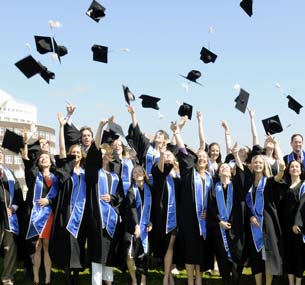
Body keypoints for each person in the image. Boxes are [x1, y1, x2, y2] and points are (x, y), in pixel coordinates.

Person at [170, 121, 213, 285]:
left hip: (204, 220)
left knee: (201, 251)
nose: (202, 159)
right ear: (195, 160)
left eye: (204, 157)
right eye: (200, 157)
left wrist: (209, 212)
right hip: (188, 219)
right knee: (189, 250)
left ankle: (199, 279)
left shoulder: (210, 178)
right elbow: (182, 151)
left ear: (207, 160)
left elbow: (214, 200)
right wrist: (177, 133)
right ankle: (190, 280)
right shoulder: (188, 171)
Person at [50, 113, 87, 285]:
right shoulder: (67, 170)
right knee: (67, 242)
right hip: (66, 212)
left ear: (82, 154)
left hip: (82, 214)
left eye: (78, 152)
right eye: (74, 152)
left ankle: (77, 273)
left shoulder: (87, 173)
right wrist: (61, 126)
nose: (76, 154)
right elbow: (62, 149)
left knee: (79, 242)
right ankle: (67, 273)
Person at [85, 126, 124, 285]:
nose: (104, 157)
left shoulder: (115, 175)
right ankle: (96, 282)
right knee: (96, 252)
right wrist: (100, 127)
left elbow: (120, 195)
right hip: (97, 218)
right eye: (101, 154)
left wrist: (112, 198)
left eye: (107, 154)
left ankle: (108, 281)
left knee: (109, 253)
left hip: (112, 219)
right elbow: (93, 152)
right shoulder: (94, 173)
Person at [245, 136, 285, 285]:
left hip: (267, 224)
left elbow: (280, 174)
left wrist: (281, 164)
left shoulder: (269, 181)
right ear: (252, 164)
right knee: (256, 258)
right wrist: (250, 216)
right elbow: (247, 205)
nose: (258, 164)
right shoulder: (249, 183)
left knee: (267, 256)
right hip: (253, 225)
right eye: (255, 162)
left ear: (264, 165)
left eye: (260, 162)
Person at [22, 137, 59, 285]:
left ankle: (48, 278)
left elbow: (59, 197)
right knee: (36, 246)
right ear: (38, 161)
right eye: (41, 157)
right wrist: (25, 143)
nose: (43, 159)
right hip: (36, 216)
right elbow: (25, 159)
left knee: (46, 247)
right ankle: (36, 278)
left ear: (51, 161)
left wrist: (48, 201)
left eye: (46, 157)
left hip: (48, 215)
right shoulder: (33, 175)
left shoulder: (56, 178)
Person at [207, 143, 246, 285]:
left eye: (227, 167)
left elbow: (242, 173)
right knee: (222, 257)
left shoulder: (236, 185)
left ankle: (235, 281)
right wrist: (219, 221)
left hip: (235, 227)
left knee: (237, 256)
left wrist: (236, 155)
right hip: (220, 227)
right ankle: (226, 281)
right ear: (218, 172)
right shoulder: (214, 187)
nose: (224, 168)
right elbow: (211, 206)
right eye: (221, 167)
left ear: (231, 172)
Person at [151, 146, 180, 285]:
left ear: (174, 159)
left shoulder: (178, 176)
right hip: (160, 215)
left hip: (175, 217)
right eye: (165, 155)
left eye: (170, 155)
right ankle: (167, 272)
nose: (168, 157)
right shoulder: (159, 172)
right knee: (162, 245)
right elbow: (161, 169)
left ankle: (167, 276)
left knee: (170, 246)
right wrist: (162, 155)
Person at [124, 165, 152, 285]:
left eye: (140, 171)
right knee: (130, 255)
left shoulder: (149, 189)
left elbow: (152, 209)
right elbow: (132, 209)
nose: (137, 173)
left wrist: (150, 222)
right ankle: (134, 280)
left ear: (144, 174)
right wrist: (136, 225)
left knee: (145, 253)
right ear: (132, 176)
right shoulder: (131, 190)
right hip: (131, 226)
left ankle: (143, 279)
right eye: (135, 172)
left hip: (145, 226)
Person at [126, 105, 169, 183]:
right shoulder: (147, 147)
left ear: (165, 140)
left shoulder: (166, 153)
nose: (157, 135)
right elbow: (138, 133)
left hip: (158, 183)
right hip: (144, 181)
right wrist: (133, 114)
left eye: (160, 134)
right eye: (156, 134)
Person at [0, 148, 24, 285]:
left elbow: (18, 192)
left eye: (1, 154)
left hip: (9, 216)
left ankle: (7, 277)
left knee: (9, 247)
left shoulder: (9, 173)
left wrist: (14, 208)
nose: (0, 156)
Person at [281, 160, 305, 285]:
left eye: (297, 166)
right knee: (288, 254)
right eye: (292, 166)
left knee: (299, 255)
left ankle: (298, 282)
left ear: (301, 170)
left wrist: (297, 223)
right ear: (289, 170)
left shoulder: (303, 185)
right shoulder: (285, 186)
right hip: (286, 227)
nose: (294, 168)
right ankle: (291, 282)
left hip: (298, 227)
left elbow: (302, 206)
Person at [248, 109, 281, 175]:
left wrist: (275, 142)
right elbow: (255, 136)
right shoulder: (260, 156)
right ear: (264, 145)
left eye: (271, 141)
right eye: (267, 140)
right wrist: (252, 118)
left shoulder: (277, 160)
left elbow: (280, 157)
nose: (269, 141)